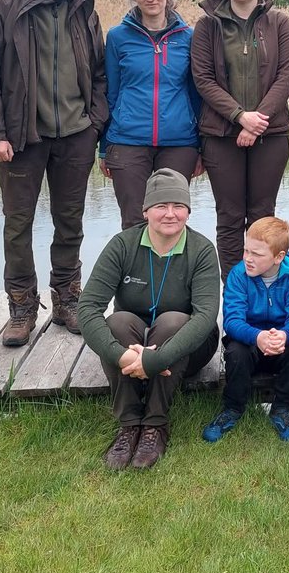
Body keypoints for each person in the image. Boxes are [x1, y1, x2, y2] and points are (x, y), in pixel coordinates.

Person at [0, 0, 108, 346]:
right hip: (19, 139)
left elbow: (100, 72)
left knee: (71, 222)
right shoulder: (3, 6)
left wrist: (95, 124)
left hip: (76, 135)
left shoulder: (84, 8)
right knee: (17, 224)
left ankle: (67, 300)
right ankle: (22, 308)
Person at [78, 169, 221, 469]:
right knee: (117, 323)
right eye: (161, 206)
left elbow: (206, 317)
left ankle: (155, 424)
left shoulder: (202, 250)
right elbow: (88, 308)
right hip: (131, 348)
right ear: (145, 211)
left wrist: (155, 360)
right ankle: (129, 424)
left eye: (178, 206)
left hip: (187, 348)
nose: (170, 214)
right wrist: (120, 356)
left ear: (188, 211)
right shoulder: (122, 245)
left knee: (172, 322)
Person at [192, 0, 289, 275]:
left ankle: (264, 290)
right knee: (229, 217)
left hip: (272, 135)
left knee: (263, 216)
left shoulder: (279, 23)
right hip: (221, 136)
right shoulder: (207, 26)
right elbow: (203, 79)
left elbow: (286, 76)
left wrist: (256, 122)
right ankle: (234, 293)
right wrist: (240, 116)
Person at [100, 0, 202, 229]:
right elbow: (110, 93)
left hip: (179, 143)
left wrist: (200, 146)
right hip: (127, 141)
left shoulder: (188, 37)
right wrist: (104, 147)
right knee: (135, 222)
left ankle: (172, 271)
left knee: (171, 221)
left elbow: (196, 94)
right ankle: (135, 272)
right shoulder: (117, 37)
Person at [203, 216, 289, 443]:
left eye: (257, 254)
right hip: (250, 342)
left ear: (278, 257)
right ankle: (233, 407)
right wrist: (258, 336)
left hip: (282, 342)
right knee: (235, 351)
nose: (248, 259)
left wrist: (284, 335)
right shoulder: (238, 275)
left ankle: (282, 407)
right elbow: (232, 320)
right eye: (246, 250)